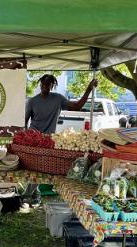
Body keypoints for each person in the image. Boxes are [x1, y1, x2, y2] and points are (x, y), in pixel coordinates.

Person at [23, 74, 98, 206]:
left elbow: (77, 107)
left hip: (50, 140)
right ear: (40, 85)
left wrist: (88, 90)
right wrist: (24, 138)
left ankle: (31, 194)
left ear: (53, 86)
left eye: (48, 85)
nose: (45, 87)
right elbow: (24, 121)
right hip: (34, 139)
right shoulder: (32, 101)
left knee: (43, 168)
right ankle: (31, 194)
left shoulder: (58, 99)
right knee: (35, 168)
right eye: (43, 84)